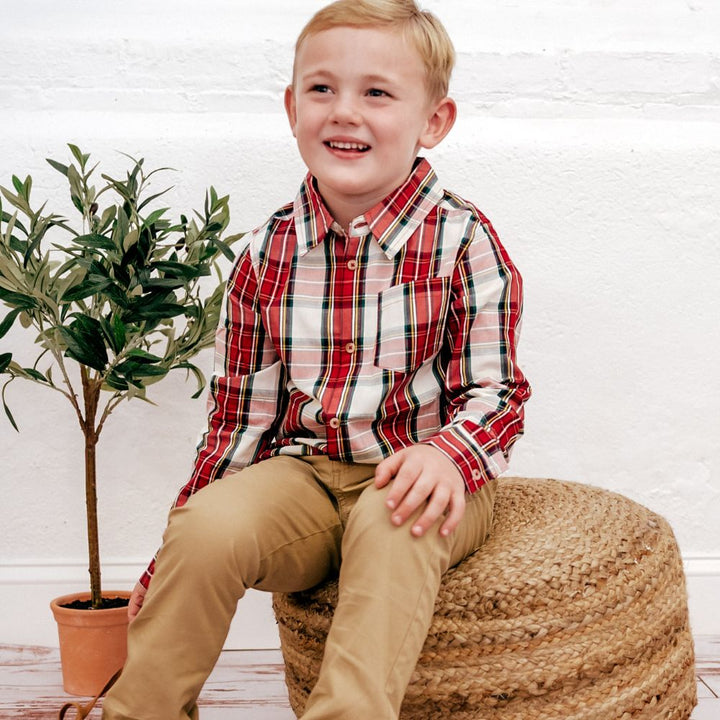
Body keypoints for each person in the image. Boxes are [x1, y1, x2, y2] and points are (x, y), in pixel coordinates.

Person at [102, 1, 530, 718]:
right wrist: (172, 551)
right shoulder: (269, 252)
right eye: (322, 89)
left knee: (396, 520)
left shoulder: (463, 239)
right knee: (209, 529)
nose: (344, 113)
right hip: (309, 477)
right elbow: (240, 423)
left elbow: (498, 392)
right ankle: (136, 711)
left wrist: (449, 455)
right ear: (291, 106)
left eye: (378, 93)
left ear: (434, 122)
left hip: (426, 476)